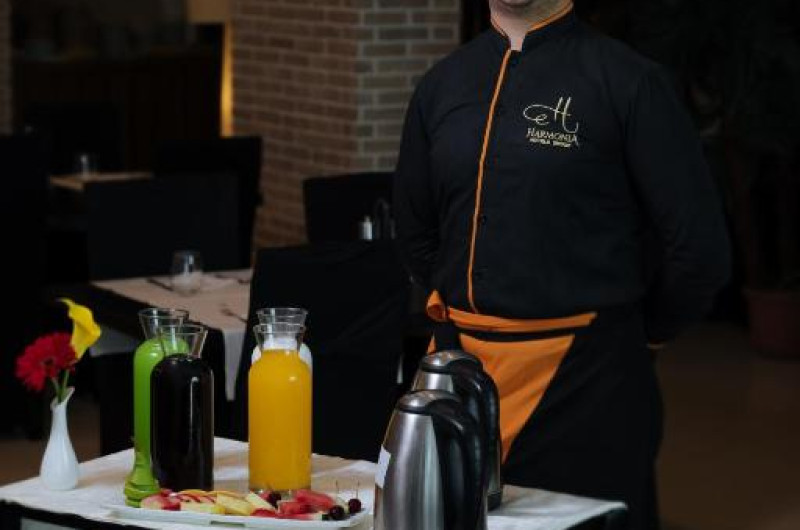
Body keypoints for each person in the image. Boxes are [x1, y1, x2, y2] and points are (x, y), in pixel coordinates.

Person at [393, 0, 731, 528]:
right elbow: (416, 230)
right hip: (458, 380)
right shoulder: (442, 84)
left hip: (587, 387)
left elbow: (700, 250)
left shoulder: (630, 82)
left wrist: (638, 335)